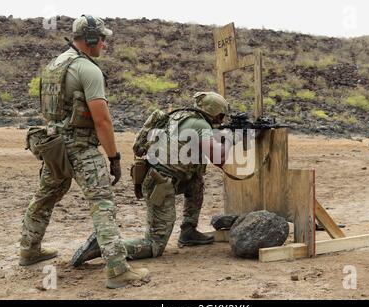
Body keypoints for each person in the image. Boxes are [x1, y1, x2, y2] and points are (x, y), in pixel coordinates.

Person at [19, 15, 149, 289]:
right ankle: (117, 269)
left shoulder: (54, 65)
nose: (104, 43)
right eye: (102, 38)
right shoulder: (87, 70)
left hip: (54, 146)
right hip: (80, 148)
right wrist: (114, 157)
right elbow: (102, 120)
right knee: (102, 203)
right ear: (90, 39)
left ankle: (29, 249)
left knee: (45, 196)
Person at [71, 92, 241, 265]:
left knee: (196, 182)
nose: (221, 120)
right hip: (160, 184)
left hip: (164, 176)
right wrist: (231, 139)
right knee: (154, 245)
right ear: (214, 112)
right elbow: (218, 158)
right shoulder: (200, 125)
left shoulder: (180, 117)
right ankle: (107, 246)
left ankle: (188, 231)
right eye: (221, 116)